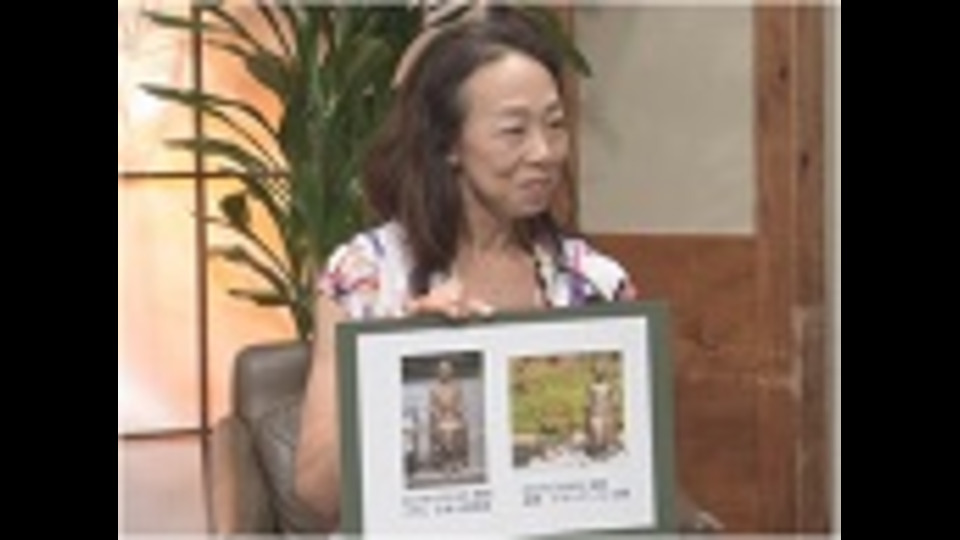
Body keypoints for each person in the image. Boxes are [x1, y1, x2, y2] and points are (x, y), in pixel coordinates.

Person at [294, 5, 637, 530]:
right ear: (449, 143)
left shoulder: (596, 284)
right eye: (514, 130)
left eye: (555, 125)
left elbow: (623, 477)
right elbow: (318, 494)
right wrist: (398, 361)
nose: (545, 152)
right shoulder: (364, 276)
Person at [427, 358, 468, 473]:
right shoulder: (434, 388)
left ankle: (457, 459)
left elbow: (460, 403)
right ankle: (447, 460)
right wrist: (437, 414)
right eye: (442, 370)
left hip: (454, 416)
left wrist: (459, 410)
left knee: (459, 427)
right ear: (439, 372)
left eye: (448, 370)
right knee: (445, 430)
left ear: (451, 372)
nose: (445, 373)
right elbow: (432, 406)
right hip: (441, 418)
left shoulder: (457, 386)